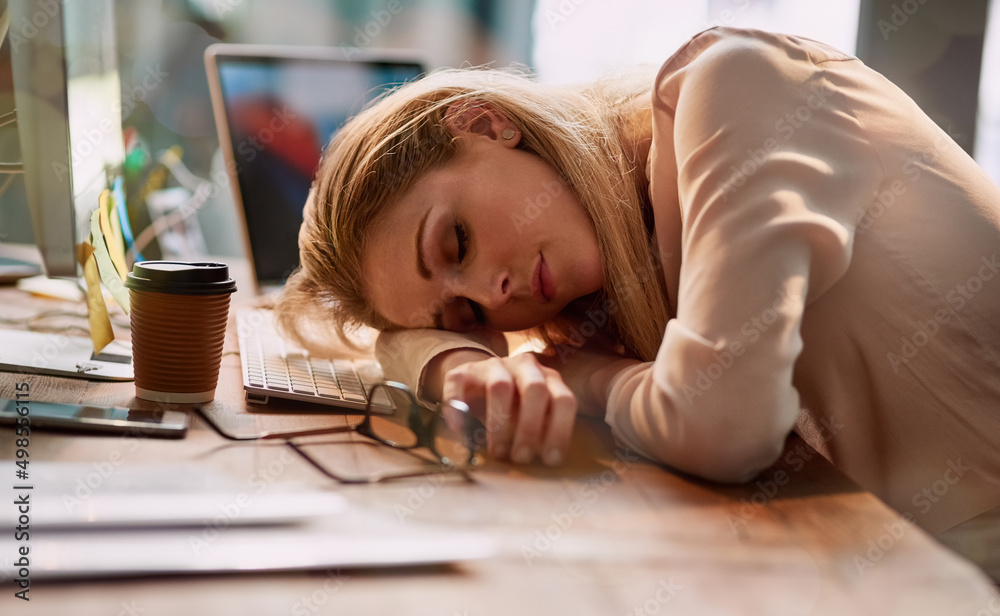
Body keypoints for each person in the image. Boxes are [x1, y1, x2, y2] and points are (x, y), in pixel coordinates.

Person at [274, 27, 1000, 579]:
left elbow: (722, 428)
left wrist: (589, 377)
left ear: (486, 124)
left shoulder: (736, 87)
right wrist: (449, 357)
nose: (492, 300)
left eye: (454, 243)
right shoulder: (613, 280)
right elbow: (396, 345)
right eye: (467, 315)